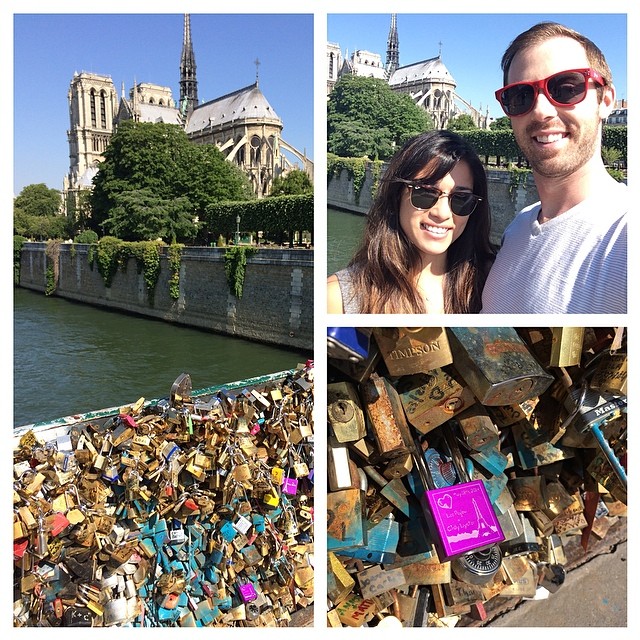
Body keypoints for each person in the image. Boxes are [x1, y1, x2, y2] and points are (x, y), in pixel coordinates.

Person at [482, 22, 627, 313]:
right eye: (520, 96)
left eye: (565, 88)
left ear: (606, 101)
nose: (541, 110)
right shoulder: (518, 227)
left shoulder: (623, 233)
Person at [327, 130, 495, 314]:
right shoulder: (338, 298)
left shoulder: (493, 284)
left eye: (462, 199)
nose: (443, 213)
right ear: (397, 194)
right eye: (425, 193)